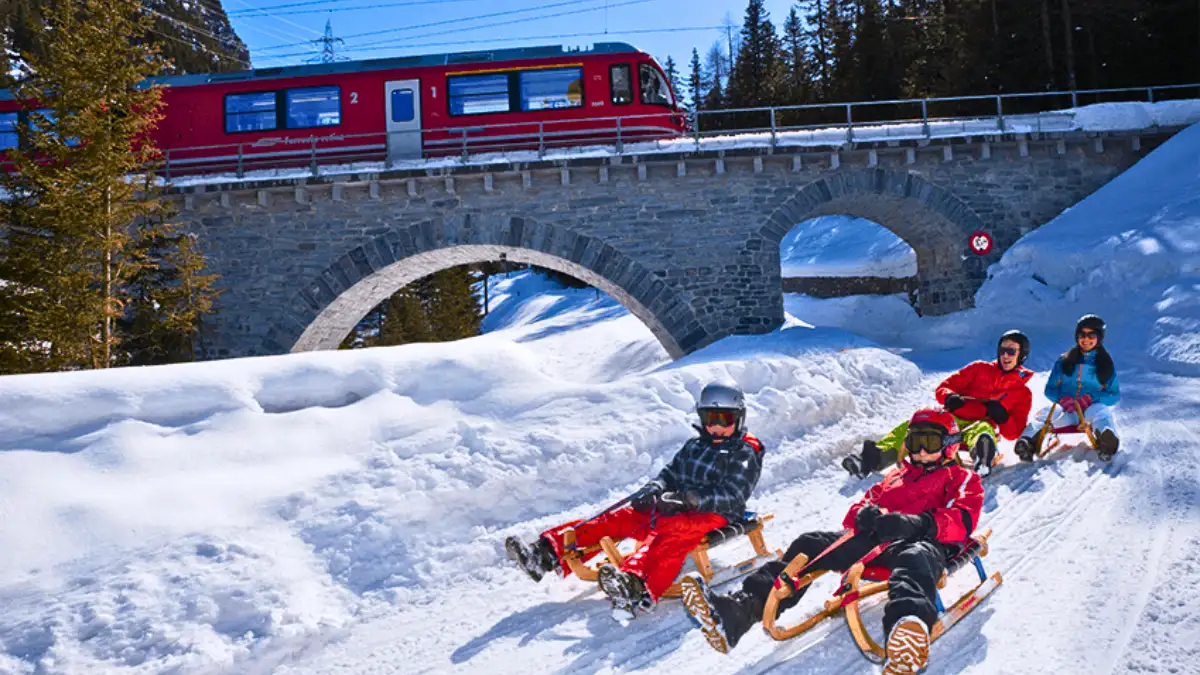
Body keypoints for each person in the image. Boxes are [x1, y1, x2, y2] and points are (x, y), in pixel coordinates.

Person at [682, 408, 984, 675]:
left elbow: (962, 520)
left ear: (948, 446)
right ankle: (739, 611)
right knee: (810, 543)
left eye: (928, 443)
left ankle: (907, 629)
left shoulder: (961, 478)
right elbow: (859, 508)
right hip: (874, 542)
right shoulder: (896, 476)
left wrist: (920, 523)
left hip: (923, 545)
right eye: (915, 442)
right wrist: (863, 515)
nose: (919, 451)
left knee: (914, 559)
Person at [504, 382, 765, 620]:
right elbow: (670, 473)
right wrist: (655, 489)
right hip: (676, 503)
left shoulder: (744, 451)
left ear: (739, 417)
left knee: (673, 533)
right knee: (622, 517)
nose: (716, 427)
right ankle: (545, 554)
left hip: (716, 512)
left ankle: (635, 585)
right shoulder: (694, 445)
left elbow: (734, 493)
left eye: (725, 419)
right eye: (710, 419)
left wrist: (690, 499)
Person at [843, 330, 1034, 477]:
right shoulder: (979, 369)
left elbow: (1013, 433)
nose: (1005, 356)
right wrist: (949, 397)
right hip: (950, 420)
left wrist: (1002, 415)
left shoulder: (1022, 393)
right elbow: (944, 387)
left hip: (979, 425)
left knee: (982, 430)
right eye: (1002, 350)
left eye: (1011, 351)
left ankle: (982, 457)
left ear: (1021, 355)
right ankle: (870, 460)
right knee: (915, 427)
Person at [1016, 314, 1121, 461]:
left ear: (1099, 337)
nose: (1086, 339)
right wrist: (1063, 399)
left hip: (1091, 410)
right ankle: (1027, 442)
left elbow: (1114, 394)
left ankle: (1107, 441)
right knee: (1047, 413)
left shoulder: (1105, 364)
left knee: (1102, 413)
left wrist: (1091, 399)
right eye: (1082, 335)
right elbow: (1050, 389)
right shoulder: (1064, 360)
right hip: (1068, 411)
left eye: (1091, 335)